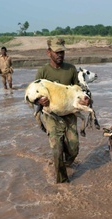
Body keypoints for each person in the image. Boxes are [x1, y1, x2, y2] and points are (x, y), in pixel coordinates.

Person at [34, 38, 80, 183]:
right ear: (49, 53)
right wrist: (39, 100)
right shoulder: (43, 72)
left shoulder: (71, 69)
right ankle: (62, 180)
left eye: (62, 51)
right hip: (51, 115)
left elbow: (78, 91)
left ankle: (66, 162)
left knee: (74, 149)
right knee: (56, 148)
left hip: (69, 114)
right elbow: (33, 94)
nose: (60, 54)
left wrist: (85, 99)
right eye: (57, 52)